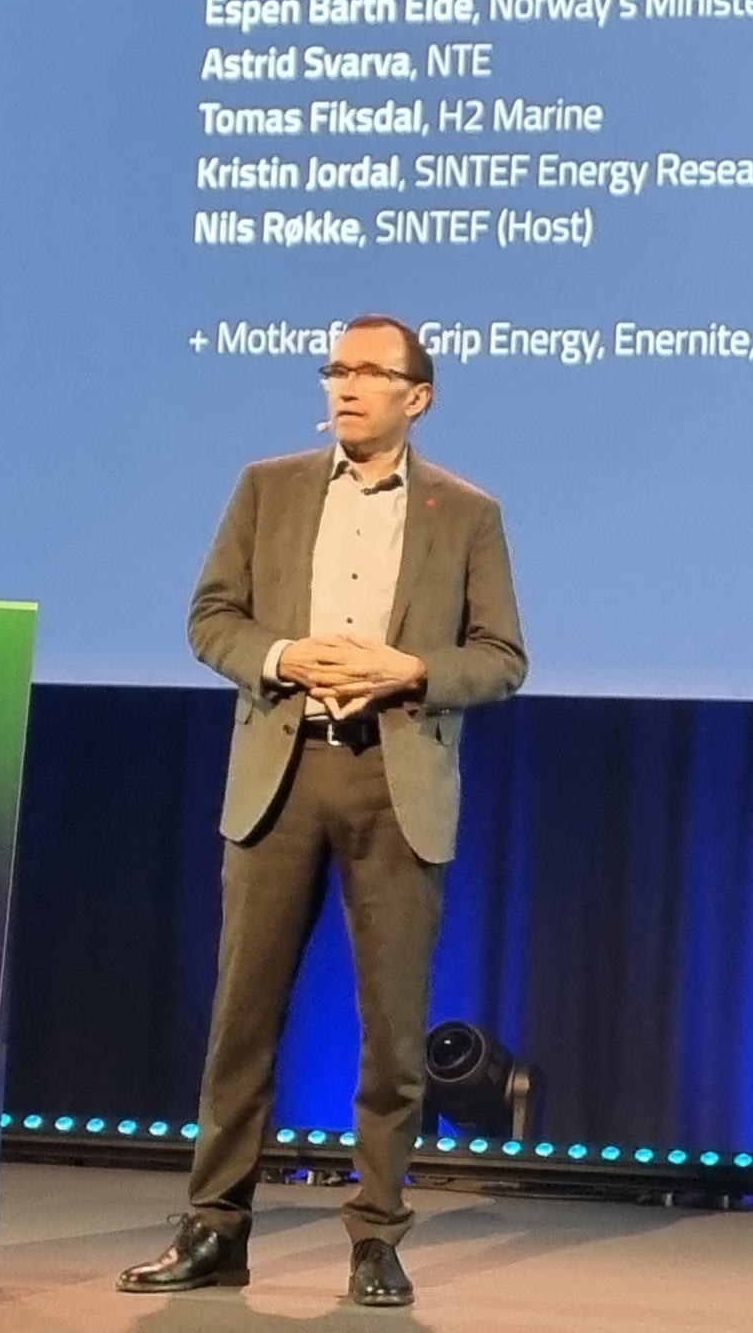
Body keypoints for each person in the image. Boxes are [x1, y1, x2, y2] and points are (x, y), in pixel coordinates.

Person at [116, 313, 527, 1307]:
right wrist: (283, 656)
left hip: (393, 784)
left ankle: (376, 1236)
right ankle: (215, 1228)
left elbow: (501, 659)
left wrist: (409, 670)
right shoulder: (268, 488)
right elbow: (211, 618)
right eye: (335, 369)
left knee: (392, 1034)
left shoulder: (466, 512)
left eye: (368, 372)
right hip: (282, 775)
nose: (344, 385)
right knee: (241, 1020)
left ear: (416, 397)